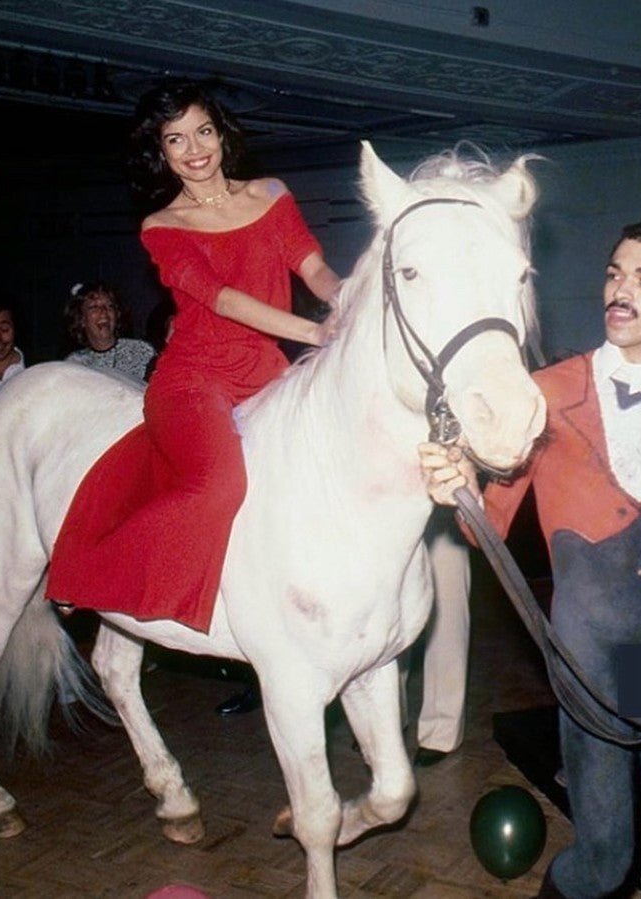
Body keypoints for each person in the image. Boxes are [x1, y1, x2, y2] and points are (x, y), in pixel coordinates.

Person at [46, 79, 341, 629]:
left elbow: (311, 265)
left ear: (222, 134)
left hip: (267, 374)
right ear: (159, 153)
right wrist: (315, 332)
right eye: (175, 139)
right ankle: (85, 572)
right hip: (192, 381)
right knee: (220, 484)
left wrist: (348, 299)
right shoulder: (162, 227)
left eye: (203, 131)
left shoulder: (271, 194)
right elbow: (224, 300)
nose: (195, 148)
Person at [419, 219, 641, 898]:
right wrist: (451, 484)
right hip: (586, 654)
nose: (621, 291)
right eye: (615, 273)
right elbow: (485, 516)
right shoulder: (544, 391)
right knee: (604, 852)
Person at [411, 507, 471, 767]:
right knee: (385, 620)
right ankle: (382, 723)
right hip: (382, 498)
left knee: (447, 609)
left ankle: (441, 730)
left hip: (441, 506)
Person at [64, 281, 157, 383]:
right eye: (94, 307)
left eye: (109, 306)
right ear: (81, 319)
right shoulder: (75, 363)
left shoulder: (141, 351)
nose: (104, 312)